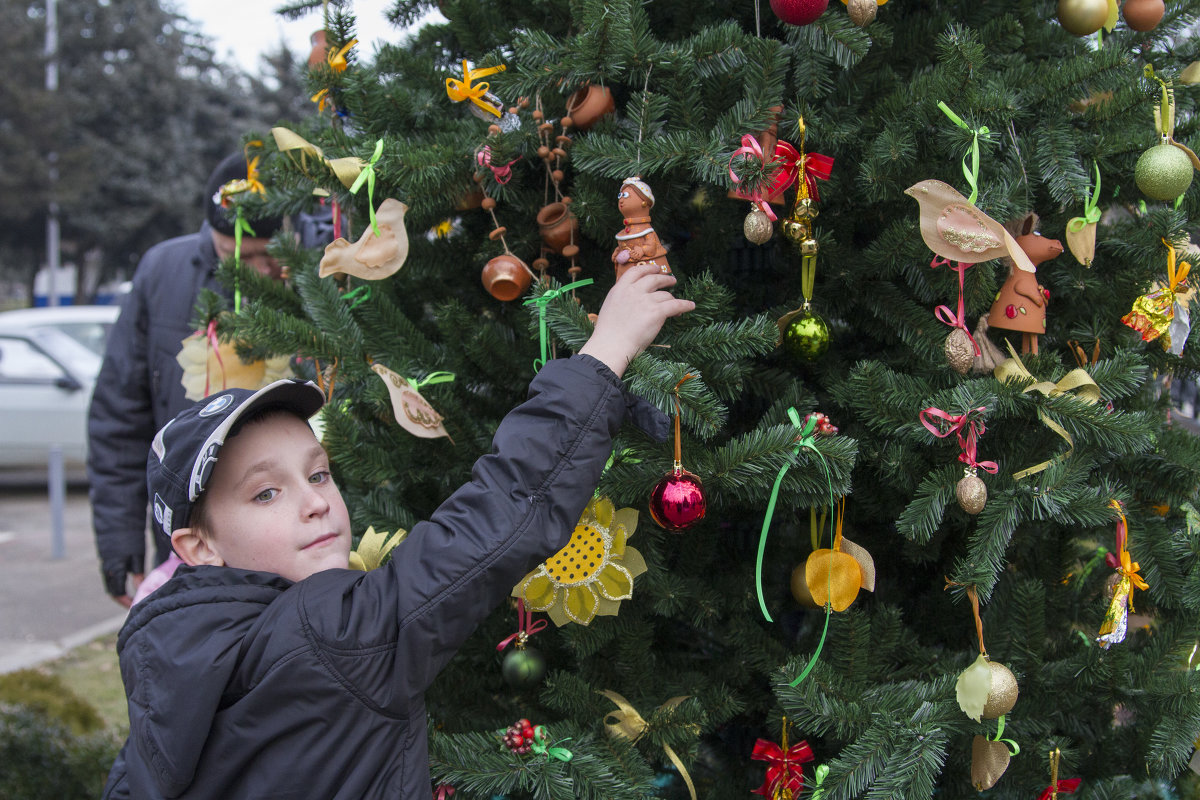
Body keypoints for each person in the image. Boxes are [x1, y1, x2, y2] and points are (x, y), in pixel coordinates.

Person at [100, 262, 693, 799]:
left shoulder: (169, 653)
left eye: (319, 474)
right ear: (199, 547)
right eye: (266, 493)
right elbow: (494, 518)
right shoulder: (329, 632)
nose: (315, 503)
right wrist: (606, 351)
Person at [88, 152, 289, 608]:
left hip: (293, 535)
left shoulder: (318, 273)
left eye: (266, 256)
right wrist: (120, 546)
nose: (254, 271)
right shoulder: (161, 273)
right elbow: (118, 418)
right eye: (236, 253)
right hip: (187, 543)